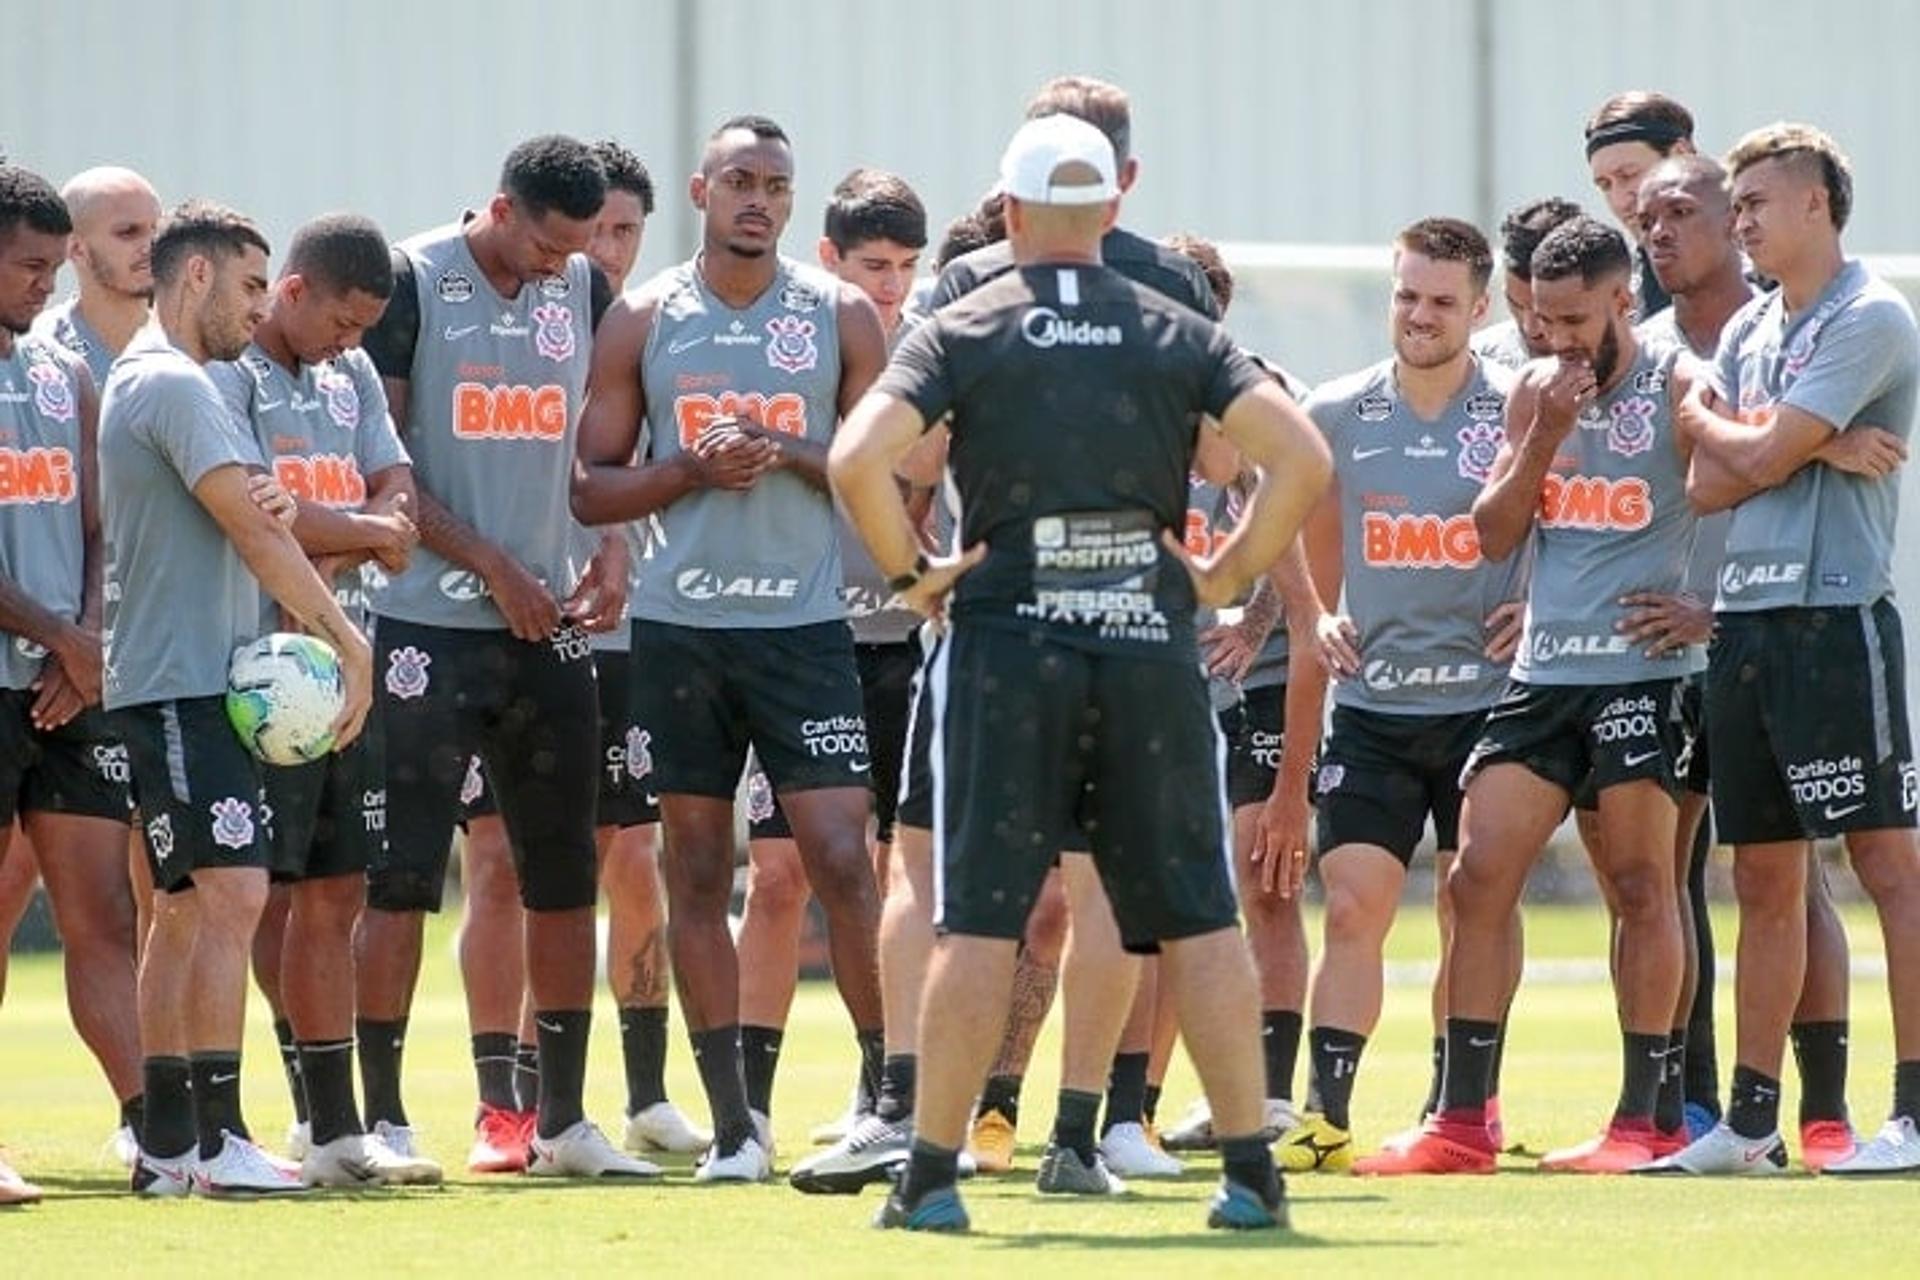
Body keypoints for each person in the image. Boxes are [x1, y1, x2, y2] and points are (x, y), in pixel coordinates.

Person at [833, 112, 1330, 1233]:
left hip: (1007, 644)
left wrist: (915, 572)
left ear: (1007, 216)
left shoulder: (966, 322)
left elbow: (857, 456)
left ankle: (930, 1177)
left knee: (980, 918)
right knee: (1199, 915)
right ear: (1112, 212)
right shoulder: (1175, 325)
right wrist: (1224, 572)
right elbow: (1300, 454)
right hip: (1147, 647)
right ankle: (1252, 1176)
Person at [572, 114, 889, 1183]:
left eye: (777, 184)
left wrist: (788, 451)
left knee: (845, 862)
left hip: (804, 633)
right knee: (695, 870)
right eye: (740, 180)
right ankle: (736, 1128)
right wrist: (687, 473)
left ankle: (886, 1100)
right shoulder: (644, 318)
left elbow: (887, 466)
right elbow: (590, 481)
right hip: (681, 633)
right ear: (703, 190)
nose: (759, 197)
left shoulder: (840, 312)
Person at [1363, 215, 1700, 1175]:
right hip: (1544, 673)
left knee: (1642, 884)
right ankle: (1462, 1121)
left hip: (1641, 671)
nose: (1553, 337)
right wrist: (1546, 428)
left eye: (1573, 318)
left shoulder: (1675, 382)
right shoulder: (1531, 394)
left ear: (1622, 302)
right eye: (1542, 319)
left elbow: (1733, 485)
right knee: (1476, 877)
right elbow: (1496, 532)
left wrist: (1708, 607)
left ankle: (1648, 1121)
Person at [355, 134, 653, 1178]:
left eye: (578, 247)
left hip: (554, 627)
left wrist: (611, 545)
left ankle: (563, 1121)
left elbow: (602, 446)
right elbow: (381, 469)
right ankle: (382, 1120)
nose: (559, 263)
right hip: (427, 627)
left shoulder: (584, 286)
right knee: (399, 881)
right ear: (499, 207)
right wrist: (490, 565)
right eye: (545, 242)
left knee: (566, 873)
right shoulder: (410, 278)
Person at [1659, 123, 1920, 1176]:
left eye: (1758, 201)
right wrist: (1786, 441)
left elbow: (1745, 450)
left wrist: (1733, 431)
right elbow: (1707, 483)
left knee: (1886, 863)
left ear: (1817, 204)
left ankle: (1909, 1112)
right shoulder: (1750, 329)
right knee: (1760, 874)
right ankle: (1753, 1123)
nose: (1741, 221)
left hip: (1834, 613)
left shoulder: (1874, 315)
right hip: (1745, 623)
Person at [106, 199, 373, 1196]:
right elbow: (260, 532)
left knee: (182, 909)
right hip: (178, 682)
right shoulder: (174, 383)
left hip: (188, 680)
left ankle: (167, 1146)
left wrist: (269, 502)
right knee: (233, 892)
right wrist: (347, 642)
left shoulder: (184, 385)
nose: (262, 311)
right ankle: (217, 1137)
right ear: (197, 277)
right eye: (253, 286)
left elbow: (261, 511)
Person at [1260, 218, 1527, 1174]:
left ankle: (1462, 1104)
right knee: (1355, 903)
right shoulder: (1338, 412)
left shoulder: (1517, 408)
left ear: (1480, 309)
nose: (1420, 315)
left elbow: (1574, 520)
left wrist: (1536, 602)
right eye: (1407, 295)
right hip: (1373, 716)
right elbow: (1285, 531)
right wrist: (1313, 610)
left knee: (1474, 905)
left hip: (1490, 711)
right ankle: (1327, 1118)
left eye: (1442, 300)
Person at [206, 213, 442, 1187]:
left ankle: (338, 1128)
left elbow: (400, 481)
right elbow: (267, 513)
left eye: (367, 329)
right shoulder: (228, 379)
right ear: (293, 291)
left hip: (350, 663)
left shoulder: (347, 377)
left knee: (341, 889)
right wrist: (367, 531)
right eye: (343, 323)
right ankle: (220, 1119)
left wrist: (365, 525)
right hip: (264, 673)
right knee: (258, 895)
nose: (354, 346)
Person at [737, 167, 931, 1154]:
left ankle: (886, 1093)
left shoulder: (937, 359)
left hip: (903, 650)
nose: (890, 285)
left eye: (904, 266)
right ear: (830, 261)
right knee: (777, 875)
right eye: (872, 265)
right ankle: (750, 1106)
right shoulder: (798, 345)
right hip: (806, 643)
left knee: (896, 880)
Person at [0, 164, 139, 1206]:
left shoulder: (63, 377)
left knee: (103, 915)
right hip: (25, 665)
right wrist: (59, 632)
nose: (46, 285)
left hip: (67, 681)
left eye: (54, 265)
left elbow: (97, 530)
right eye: (29, 264)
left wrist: (86, 637)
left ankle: (159, 1132)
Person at [1583, 91, 1698, 316]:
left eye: (1629, 175)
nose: (1619, 200)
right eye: (1605, 185)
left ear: (1680, 155)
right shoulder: (1621, 291)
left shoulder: (1761, 268)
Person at [1473, 197, 1583, 369]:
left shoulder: (1632, 361)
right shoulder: (1478, 362)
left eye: (1543, 312)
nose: (1530, 329)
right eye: (1515, 304)